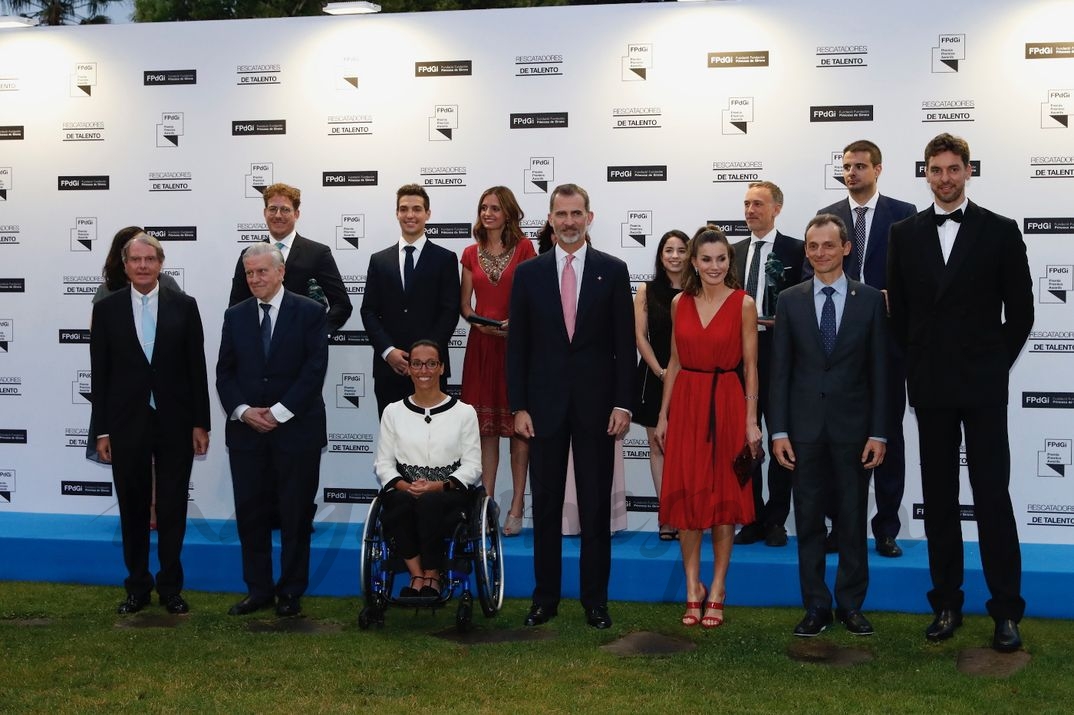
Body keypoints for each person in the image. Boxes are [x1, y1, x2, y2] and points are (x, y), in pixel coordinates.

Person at [888, 133, 1033, 653]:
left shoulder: (999, 230)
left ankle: (1006, 612)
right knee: (942, 501)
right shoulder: (904, 234)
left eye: (954, 169)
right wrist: (917, 365)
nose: (945, 178)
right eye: (936, 169)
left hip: (982, 386)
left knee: (994, 497)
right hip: (931, 388)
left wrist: (992, 365)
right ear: (925, 173)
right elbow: (897, 313)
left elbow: (1021, 312)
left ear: (968, 171)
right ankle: (946, 603)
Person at [507, 183, 634, 630]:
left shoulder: (613, 271)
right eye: (560, 214)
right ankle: (545, 599)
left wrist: (624, 403)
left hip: (598, 409)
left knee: (596, 507)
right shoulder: (529, 274)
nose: (569, 222)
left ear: (590, 217)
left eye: (576, 214)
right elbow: (517, 347)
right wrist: (518, 405)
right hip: (542, 409)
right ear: (550, 219)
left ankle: (595, 601)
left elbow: (624, 346)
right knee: (545, 505)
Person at [769, 214, 888, 637]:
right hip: (802, 433)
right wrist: (778, 431)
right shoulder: (790, 299)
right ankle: (816, 605)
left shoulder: (871, 300)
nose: (820, 253)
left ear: (846, 248)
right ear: (806, 251)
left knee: (853, 521)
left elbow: (881, 373)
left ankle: (851, 605)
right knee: (808, 521)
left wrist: (879, 432)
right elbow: (779, 371)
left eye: (828, 245)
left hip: (854, 432)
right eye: (813, 246)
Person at [90, 232, 210, 615]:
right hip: (126, 424)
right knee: (133, 507)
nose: (143, 266)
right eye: (135, 260)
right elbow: (101, 375)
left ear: (161, 263)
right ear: (124, 265)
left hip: (175, 423)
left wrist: (200, 423)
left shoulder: (185, 306)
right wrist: (101, 430)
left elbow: (196, 369)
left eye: (150, 260)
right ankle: (137, 587)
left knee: (173, 507)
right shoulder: (106, 310)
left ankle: (171, 588)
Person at [655, 226, 761, 628]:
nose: (714, 266)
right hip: (687, 402)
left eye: (721, 259)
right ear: (694, 263)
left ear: (728, 262)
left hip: (728, 403)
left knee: (721, 501)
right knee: (687, 501)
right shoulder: (681, 302)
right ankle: (691, 588)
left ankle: (717, 587)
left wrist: (751, 421)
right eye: (706, 259)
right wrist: (664, 415)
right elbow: (675, 362)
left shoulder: (743, 303)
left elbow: (751, 367)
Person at [216, 243, 329, 618]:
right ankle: (258, 590)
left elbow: (314, 370)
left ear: (281, 272)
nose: (255, 279)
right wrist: (245, 411)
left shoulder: (311, 312)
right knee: (251, 514)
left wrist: (279, 413)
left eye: (262, 271)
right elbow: (224, 373)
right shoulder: (235, 316)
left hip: (296, 431)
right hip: (248, 433)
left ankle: (291, 592)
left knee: (296, 516)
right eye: (249, 273)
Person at [816, 140, 916, 558]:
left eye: (860, 166)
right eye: (846, 166)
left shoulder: (904, 215)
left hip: (889, 343)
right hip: (839, 347)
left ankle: (887, 528)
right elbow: (812, 272)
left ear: (878, 169)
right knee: (839, 439)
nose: (851, 172)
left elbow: (921, 276)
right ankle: (840, 526)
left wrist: (900, 296)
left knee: (887, 433)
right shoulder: (829, 219)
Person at [374, 340, 482, 597]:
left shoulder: (464, 413)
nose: (425, 370)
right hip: (405, 488)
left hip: (449, 491)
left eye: (431, 363)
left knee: (430, 502)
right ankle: (417, 575)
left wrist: (438, 486)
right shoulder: (393, 412)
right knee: (398, 502)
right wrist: (405, 486)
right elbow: (384, 464)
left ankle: (433, 575)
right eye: (418, 364)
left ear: (442, 368)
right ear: (409, 369)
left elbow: (473, 465)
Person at [459, 186, 536, 536]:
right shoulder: (469, 253)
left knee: (518, 431)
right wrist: (479, 323)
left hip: (517, 347)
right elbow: (465, 306)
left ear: (509, 213)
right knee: (485, 432)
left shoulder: (525, 249)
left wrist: (517, 324)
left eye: (494, 208)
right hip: (480, 347)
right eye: (483, 207)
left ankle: (518, 505)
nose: (487, 213)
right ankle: (487, 505)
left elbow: (534, 298)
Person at [732, 181, 805, 548]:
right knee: (746, 442)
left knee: (780, 438)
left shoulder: (798, 249)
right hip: (738, 359)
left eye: (758, 204)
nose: (750, 211)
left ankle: (776, 519)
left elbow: (806, 304)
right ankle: (752, 517)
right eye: (746, 204)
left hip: (780, 358)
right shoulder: (731, 252)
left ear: (777, 208)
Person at [360, 184, 461, 415]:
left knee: (433, 442)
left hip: (431, 370)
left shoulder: (445, 259)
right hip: (389, 369)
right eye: (404, 209)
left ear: (428, 213)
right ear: (396, 213)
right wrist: (388, 351)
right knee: (391, 443)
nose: (410, 215)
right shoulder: (379, 260)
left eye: (417, 209)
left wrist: (426, 357)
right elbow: (368, 311)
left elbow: (449, 311)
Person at [229, 182, 352, 333]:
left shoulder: (318, 254)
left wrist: (317, 334)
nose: (278, 215)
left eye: (285, 210)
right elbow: (236, 306)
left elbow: (342, 305)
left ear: (296, 214)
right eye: (273, 209)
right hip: (259, 347)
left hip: (303, 352)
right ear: (264, 212)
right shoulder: (249, 254)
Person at [633, 229, 688, 540]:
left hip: (691, 376)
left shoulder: (697, 290)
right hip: (654, 377)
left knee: (686, 450)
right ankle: (666, 515)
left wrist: (679, 373)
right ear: (660, 255)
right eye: (669, 250)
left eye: (681, 250)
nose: (675, 256)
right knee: (658, 448)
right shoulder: (646, 289)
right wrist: (660, 371)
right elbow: (640, 336)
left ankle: (686, 514)